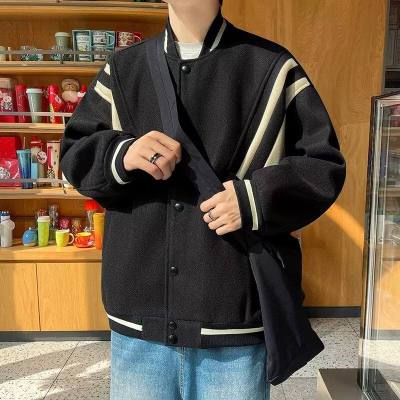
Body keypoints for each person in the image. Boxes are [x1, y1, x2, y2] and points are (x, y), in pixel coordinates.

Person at [59, 0, 346, 398]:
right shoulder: (123, 69)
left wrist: (252, 198)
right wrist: (122, 154)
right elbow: (74, 153)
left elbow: (322, 165)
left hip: (232, 321)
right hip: (139, 321)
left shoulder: (273, 67)